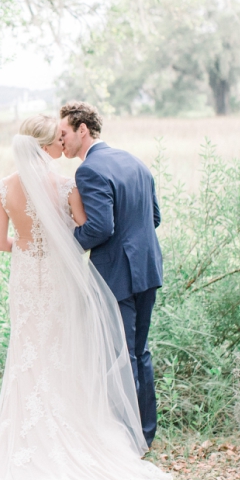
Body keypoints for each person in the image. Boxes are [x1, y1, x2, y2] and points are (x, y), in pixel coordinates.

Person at [0, 114, 170, 480]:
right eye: (56, 138)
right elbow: (83, 232)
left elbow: (0, 244)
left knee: (28, 353)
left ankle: (27, 436)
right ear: (44, 146)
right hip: (66, 280)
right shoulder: (69, 183)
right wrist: (58, 244)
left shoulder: (3, 188)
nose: (62, 144)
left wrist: (30, 245)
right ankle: (127, 432)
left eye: (64, 135)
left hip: (26, 283)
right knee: (73, 352)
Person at [59, 101, 162, 447]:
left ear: (82, 129)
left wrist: (67, 241)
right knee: (139, 352)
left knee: (121, 354)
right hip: (148, 268)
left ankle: (128, 438)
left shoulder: (88, 171)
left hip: (118, 274)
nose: (61, 142)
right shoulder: (136, 162)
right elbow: (154, 218)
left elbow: (100, 228)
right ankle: (144, 434)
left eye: (64, 134)